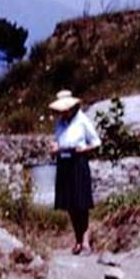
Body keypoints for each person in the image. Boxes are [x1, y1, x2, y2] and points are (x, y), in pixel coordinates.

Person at [49, 89, 101, 254]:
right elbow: (56, 142)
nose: (64, 112)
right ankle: (78, 239)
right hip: (64, 161)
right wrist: (54, 148)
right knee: (70, 203)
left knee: (81, 203)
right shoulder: (60, 124)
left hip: (78, 161)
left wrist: (84, 149)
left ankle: (85, 240)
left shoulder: (82, 120)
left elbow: (96, 142)